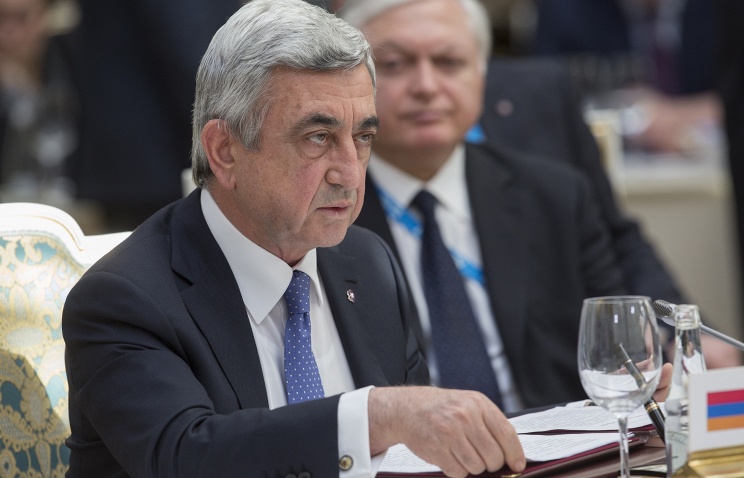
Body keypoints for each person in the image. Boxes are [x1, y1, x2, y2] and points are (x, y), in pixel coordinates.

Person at [61, 1, 527, 477]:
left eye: (363, 138)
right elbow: (188, 457)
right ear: (224, 150)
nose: (350, 174)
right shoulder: (125, 300)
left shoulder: (367, 261)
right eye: (318, 137)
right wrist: (373, 416)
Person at [341, 0, 633, 411]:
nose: (425, 85)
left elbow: (617, 351)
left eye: (449, 62)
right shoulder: (325, 214)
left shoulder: (555, 196)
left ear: (481, 76)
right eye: (393, 65)